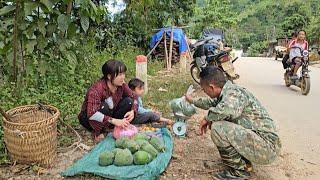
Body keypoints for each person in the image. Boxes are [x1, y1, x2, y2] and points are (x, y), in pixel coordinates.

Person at [185, 66, 281, 180]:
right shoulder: (226, 92)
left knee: (218, 127)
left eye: (204, 90)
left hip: (267, 147)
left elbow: (226, 110)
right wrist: (192, 100)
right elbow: (211, 103)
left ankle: (239, 172)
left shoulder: (233, 93)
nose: (205, 92)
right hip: (261, 142)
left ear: (211, 87)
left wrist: (207, 118)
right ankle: (244, 163)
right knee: (220, 119)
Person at [78, 59, 138, 143]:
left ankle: (112, 126)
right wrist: (114, 121)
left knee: (128, 101)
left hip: (110, 114)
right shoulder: (96, 89)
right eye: (120, 74)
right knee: (104, 106)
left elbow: (134, 96)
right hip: (89, 118)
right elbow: (92, 114)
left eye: (124, 73)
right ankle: (98, 131)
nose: (123, 77)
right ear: (109, 76)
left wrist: (133, 110)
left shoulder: (121, 85)